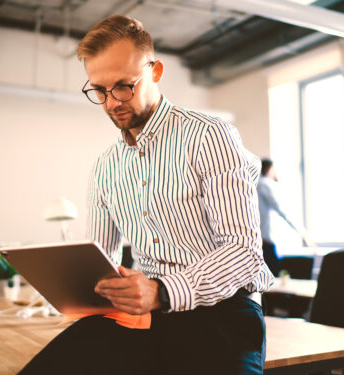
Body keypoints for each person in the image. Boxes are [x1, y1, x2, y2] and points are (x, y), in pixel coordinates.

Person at [18, 15, 273, 375]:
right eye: (99, 90)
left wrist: (162, 291)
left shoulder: (208, 137)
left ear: (155, 71)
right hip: (145, 315)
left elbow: (243, 253)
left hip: (223, 315)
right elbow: (101, 258)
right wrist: (75, 287)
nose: (111, 103)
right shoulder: (105, 166)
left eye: (124, 86)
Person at [257, 158, 314, 249]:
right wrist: (303, 233)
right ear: (270, 169)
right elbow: (282, 209)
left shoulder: (258, 185)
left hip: (263, 239)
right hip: (266, 239)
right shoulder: (265, 185)